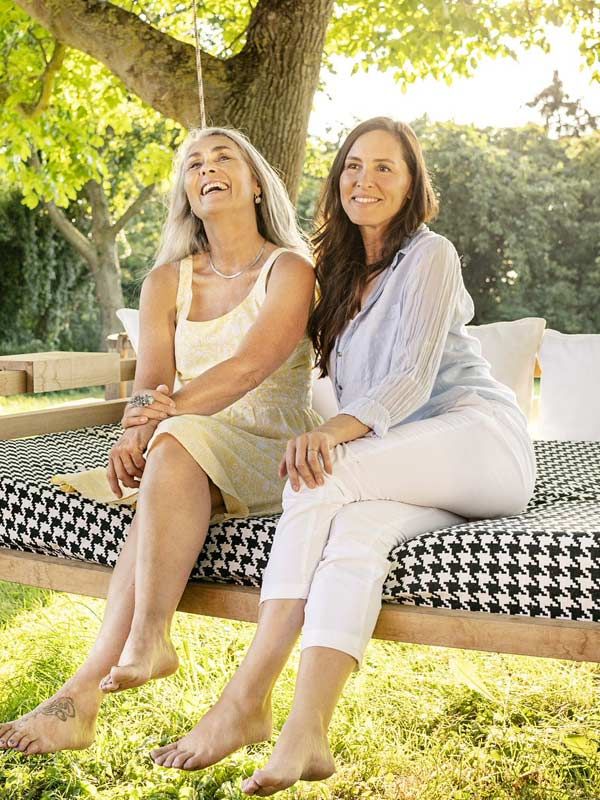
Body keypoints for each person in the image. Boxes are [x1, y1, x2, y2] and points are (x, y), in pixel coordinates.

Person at [149, 117, 536, 796]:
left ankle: (245, 696)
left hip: (479, 441)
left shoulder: (430, 255)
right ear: (337, 182)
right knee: (353, 537)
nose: (366, 180)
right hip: (411, 461)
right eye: (354, 166)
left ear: (413, 183)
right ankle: (306, 733)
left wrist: (329, 436)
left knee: (317, 475)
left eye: (386, 167)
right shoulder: (333, 273)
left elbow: (410, 380)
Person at [0, 126, 321, 756]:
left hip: (270, 446)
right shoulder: (164, 282)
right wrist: (134, 428)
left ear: (255, 183)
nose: (206, 169)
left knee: (172, 445)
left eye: (223, 157)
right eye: (193, 164)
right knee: (163, 473)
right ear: (187, 193)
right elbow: (150, 379)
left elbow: (249, 367)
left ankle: (147, 637)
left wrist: (155, 425)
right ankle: (85, 691)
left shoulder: (290, 269)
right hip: (189, 444)